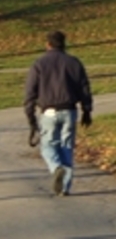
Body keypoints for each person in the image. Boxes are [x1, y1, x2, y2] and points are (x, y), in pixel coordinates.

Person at [23, 31, 93, 196]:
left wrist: (31, 119)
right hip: (69, 110)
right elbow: (84, 88)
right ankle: (65, 187)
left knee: (48, 146)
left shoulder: (39, 64)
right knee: (66, 147)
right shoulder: (74, 63)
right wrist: (87, 110)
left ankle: (56, 168)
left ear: (48, 44)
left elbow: (30, 93)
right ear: (64, 44)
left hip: (49, 112)